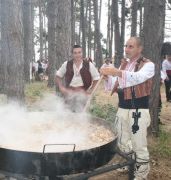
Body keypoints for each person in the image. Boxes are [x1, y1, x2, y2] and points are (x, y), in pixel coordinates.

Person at [100, 37, 154, 180]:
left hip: (138, 110)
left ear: (140, 49)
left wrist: (116, 72)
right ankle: (129, 164)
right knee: (121, 141)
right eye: (126, 46)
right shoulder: (124, 65)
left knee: (139, 144)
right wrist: (108, 78)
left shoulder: (148, 65)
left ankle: (141, 175)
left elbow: (137, 78)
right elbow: (119, 83)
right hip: (123, 107)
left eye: (131, 46)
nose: (127, 49)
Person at [56, 45, 100, 112]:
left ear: (82, 53)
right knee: (68, 113)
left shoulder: (89, 64)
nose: (77, 55)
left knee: (81, 114)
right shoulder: (67, 64)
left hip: (83, 94)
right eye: (75, 53)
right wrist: (60, 87)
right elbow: (58, 75)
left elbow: (96, 78)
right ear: (72, 54)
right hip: (69, 94)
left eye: (79, 52)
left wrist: (91, 89)